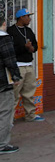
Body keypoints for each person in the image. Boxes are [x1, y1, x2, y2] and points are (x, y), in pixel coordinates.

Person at [7, 8, 43, 122]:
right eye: (28, 16)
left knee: (29, 93)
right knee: (14, 94)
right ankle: (9, 119)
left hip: (29, 65)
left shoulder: (29, 31)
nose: (30, 18)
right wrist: (24, 48)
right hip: (17, 66)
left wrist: (32, 48)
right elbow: (9, 49)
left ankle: (30, 115)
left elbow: (36, 46)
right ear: (21, 17)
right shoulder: (11, 31)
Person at [0, 17, 21, 154]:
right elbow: (10, 59)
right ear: (3, 24)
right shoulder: (4, 38)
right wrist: (16, 76)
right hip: (2, 82)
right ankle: (2, 145)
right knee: (5, 112)